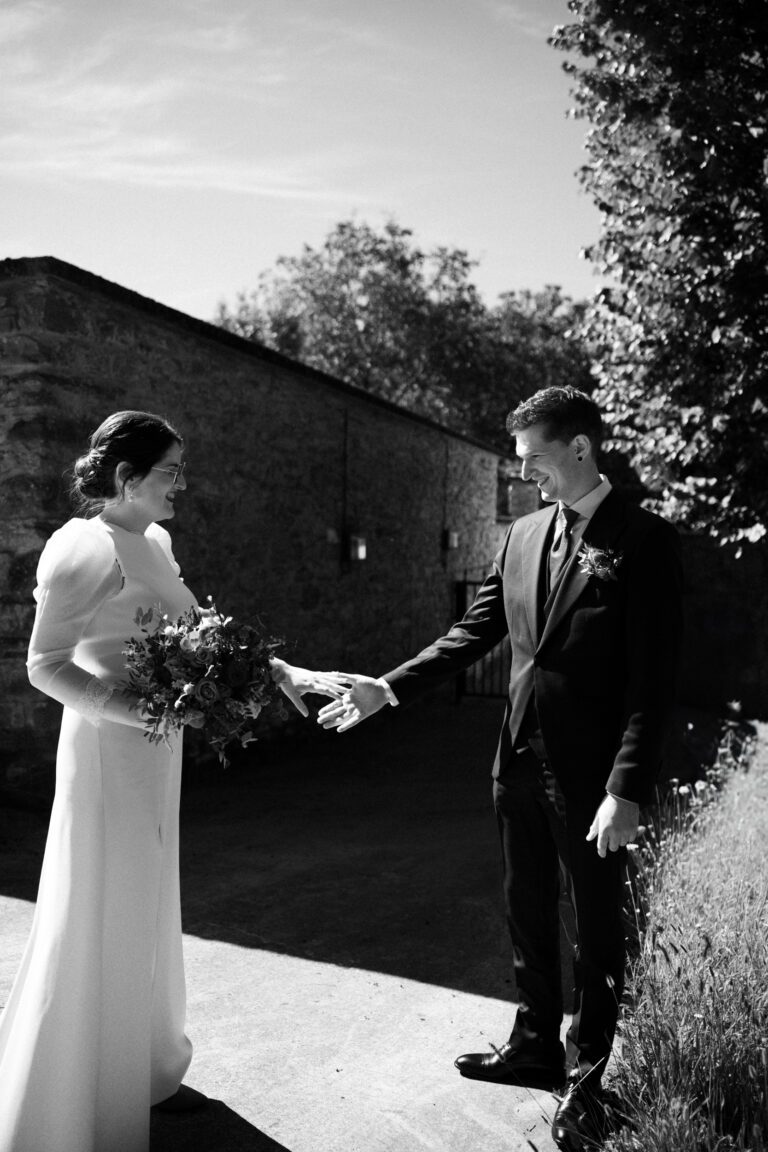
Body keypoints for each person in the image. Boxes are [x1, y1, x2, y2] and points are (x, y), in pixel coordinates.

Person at [318, 386, 683, 1151]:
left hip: (592, 777)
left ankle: (591, 1079)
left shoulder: (646, 541)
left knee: (598, 924)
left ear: (580, 448)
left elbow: (655, 684)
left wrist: (626, 788)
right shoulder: (521, 536)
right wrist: (387, 687)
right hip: (516, 758)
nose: (528, 479)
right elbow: (473, 631)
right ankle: (532, 1046)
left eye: (535, 461)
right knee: (526, 907)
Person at [0, 410, 345, 1152]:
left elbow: (198, 635)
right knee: (105, 906)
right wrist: (153, 711)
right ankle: (79, 1098)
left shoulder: (154, 540)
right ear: (127, 477)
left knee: (149, 901)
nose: (183, 484)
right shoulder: (83, 548)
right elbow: (44, 665)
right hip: (107, 753)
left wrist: (284, 673)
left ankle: (147, 1069)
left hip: (157, 755)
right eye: (171, 471)